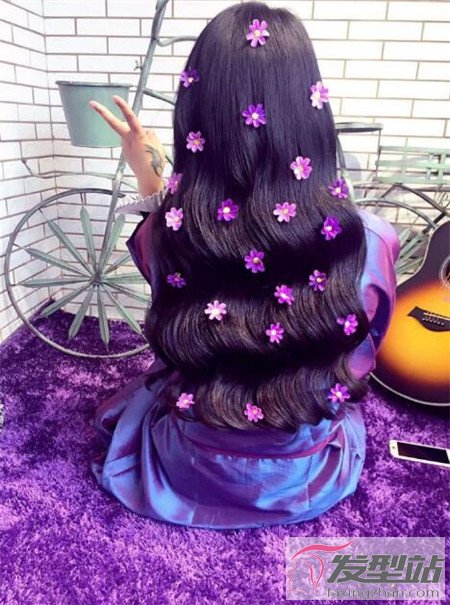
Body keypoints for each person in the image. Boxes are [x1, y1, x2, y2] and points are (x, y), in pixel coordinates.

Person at [88, 1, 400, 530]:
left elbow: (163, 268)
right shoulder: (366, 241)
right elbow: (361, 346)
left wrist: (148, 171)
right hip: (305, 473)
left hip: (189, 466)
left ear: (196, 116)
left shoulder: (169, 233)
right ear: (312, 112)